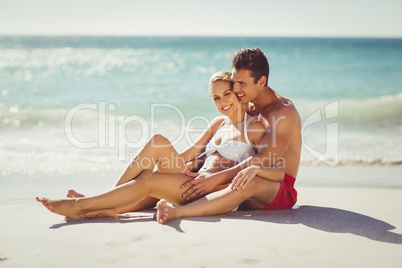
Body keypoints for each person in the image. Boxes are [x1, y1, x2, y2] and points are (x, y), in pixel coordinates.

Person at [36, 71, 282, 219]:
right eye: (215, 98)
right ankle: (106, 201)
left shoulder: (255, 127)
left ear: (237, 94)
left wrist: (217, 179)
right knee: (158, 143)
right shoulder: (218, 123)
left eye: (226, 95)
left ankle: (83, 205)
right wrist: (179, 166)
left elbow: (270, 165)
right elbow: (189, 154)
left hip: (206, 191)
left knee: (147, 181)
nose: (221, 102)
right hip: (193, 178)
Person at [155, 47, 301, 223]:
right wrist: (193, 164)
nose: (236, 89)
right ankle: (126, 201)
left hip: (277, 186)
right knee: (186, 180)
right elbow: (224, 146)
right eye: (235, 82)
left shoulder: (283, 113)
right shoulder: (247, 104)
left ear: (261, 81)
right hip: (242, 174)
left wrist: (215, 179)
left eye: (242, 84)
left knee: (243, 181)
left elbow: (264, 160)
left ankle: (178, 213)